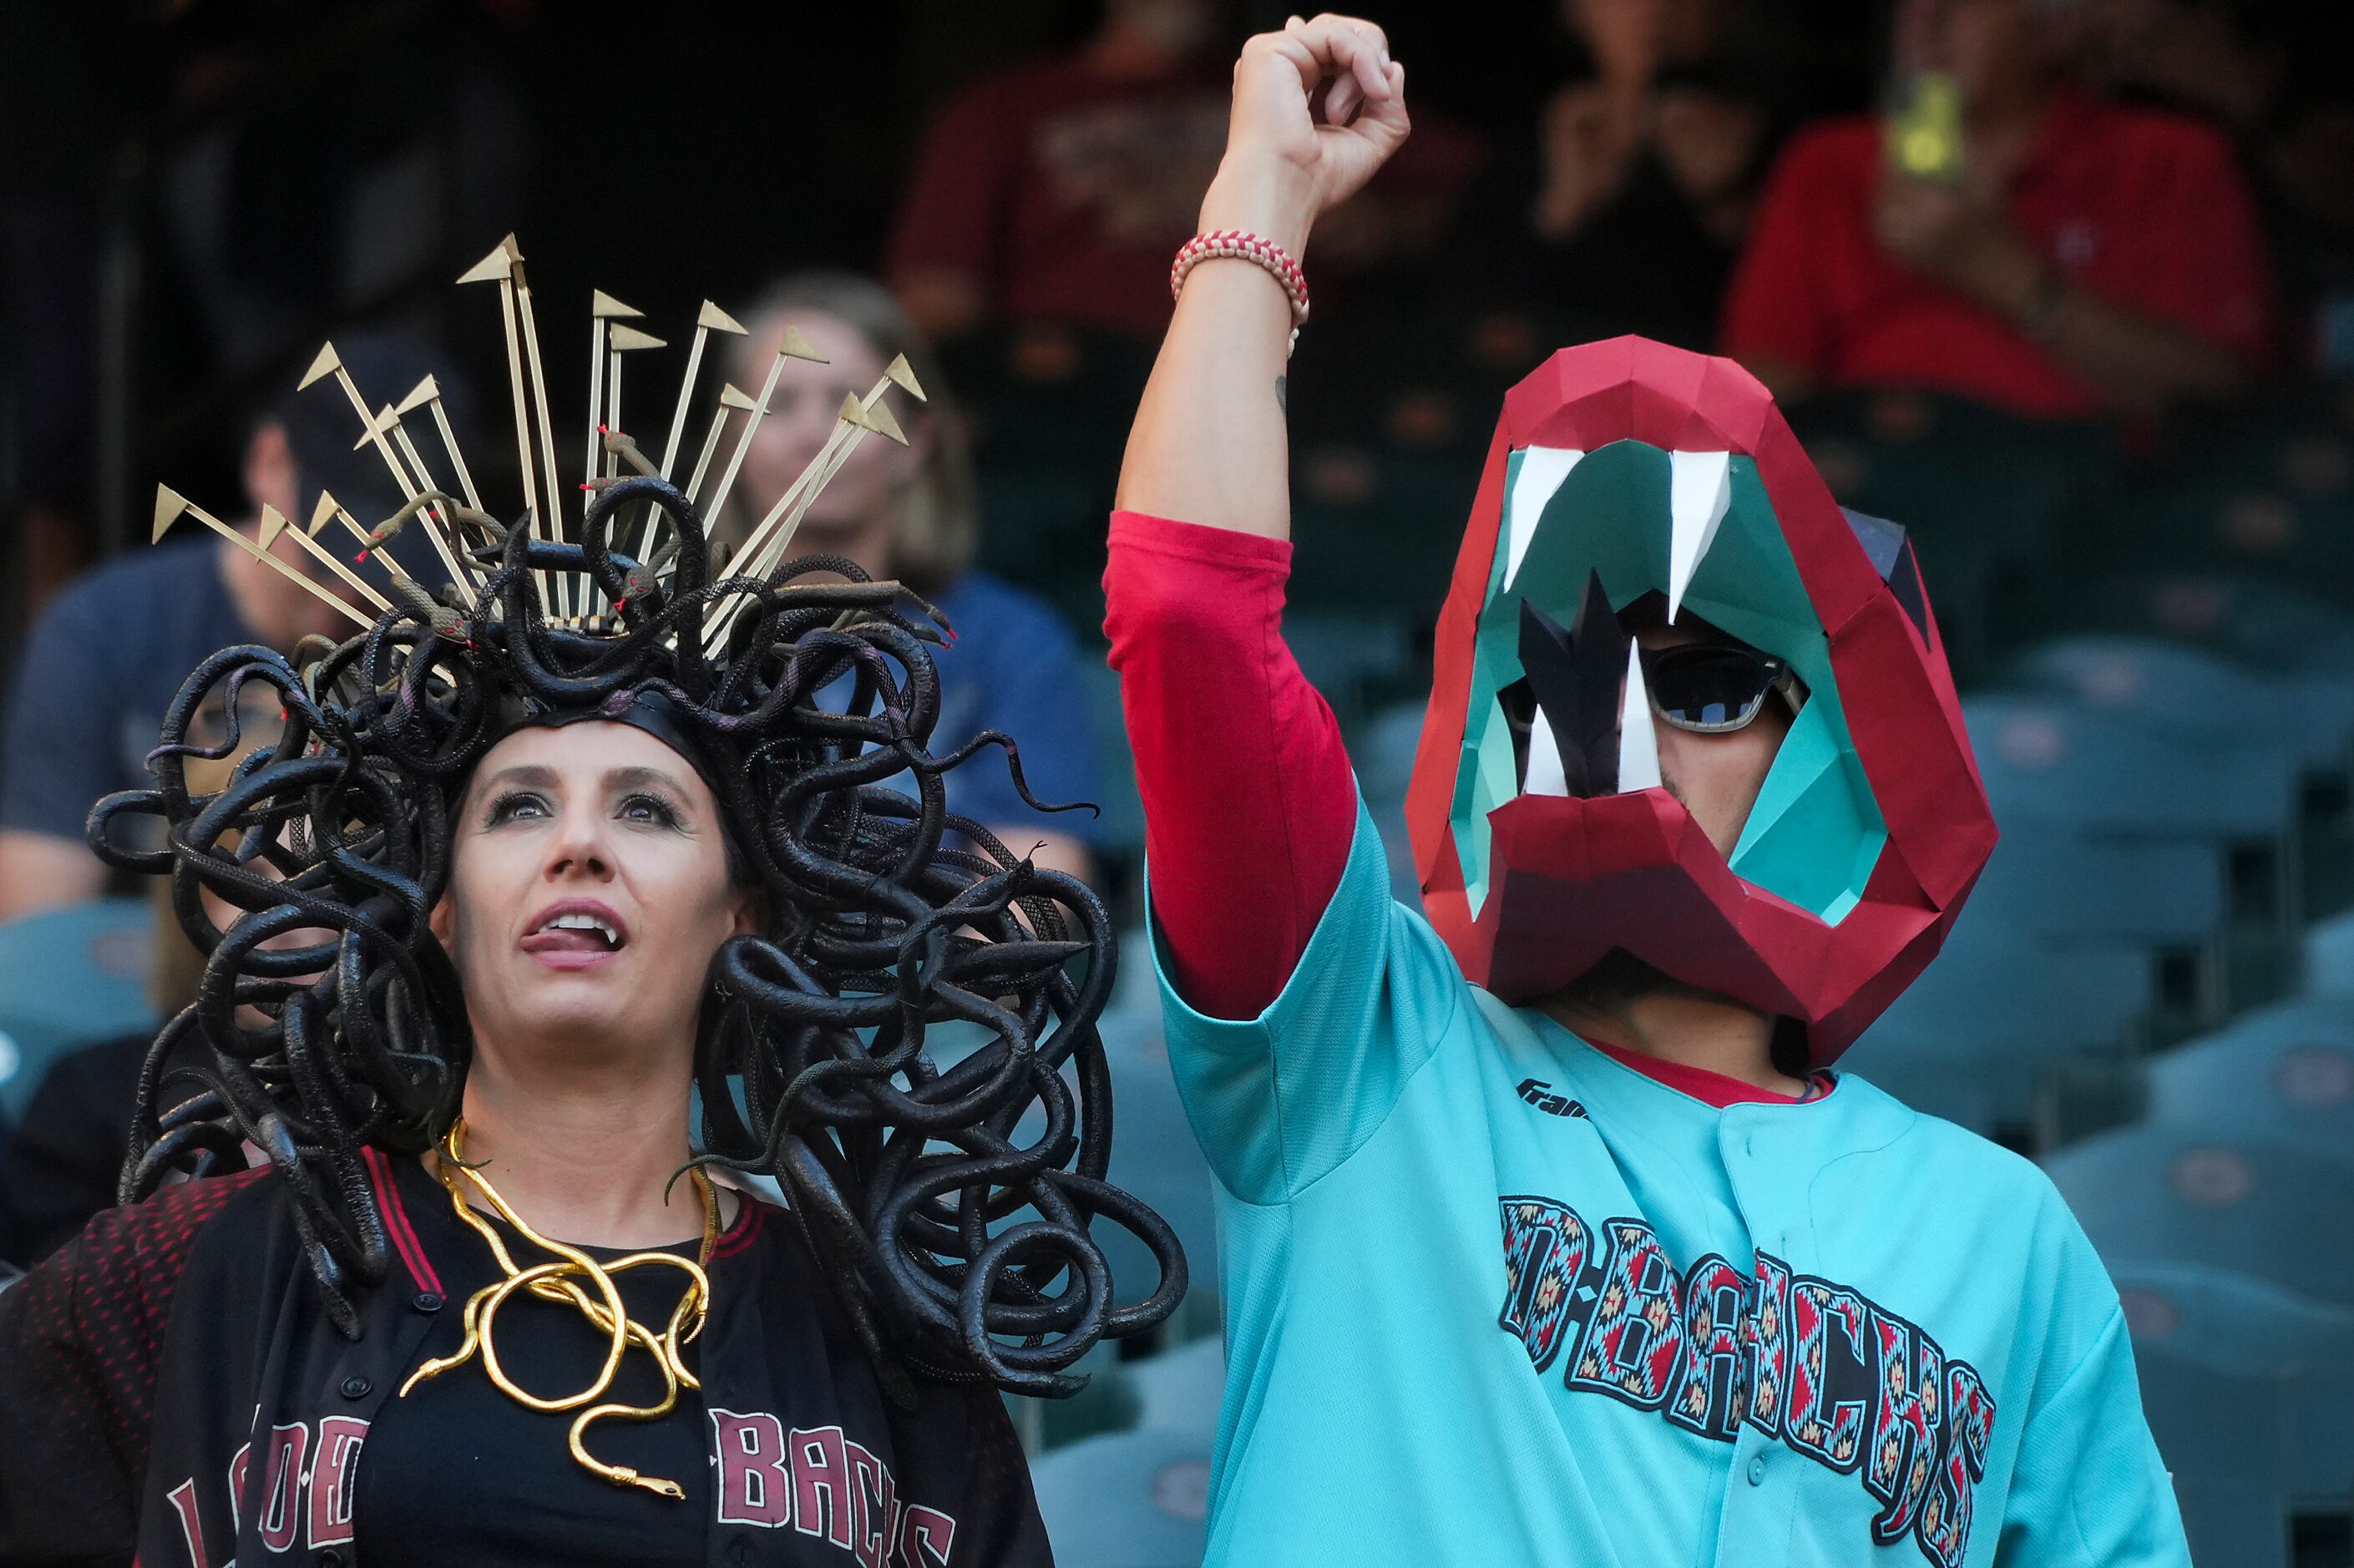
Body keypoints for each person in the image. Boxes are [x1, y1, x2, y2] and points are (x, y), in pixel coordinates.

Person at [1104, 14, 2188, 1563]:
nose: (1607, 715)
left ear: (1855, 766)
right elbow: (1188, 616)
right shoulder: (1362, 1046)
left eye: (1701, 685)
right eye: (1563, 670)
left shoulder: (2000, 1234)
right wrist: (1265, 196)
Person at [0, 277, 1182, 1565]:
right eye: (516, 807)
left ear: (747, 913)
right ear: (439, 909)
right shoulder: (203, 1268)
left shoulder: (883, 1338)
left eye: (647, 810)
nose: (577, 843)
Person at [0, 336, 454, 921]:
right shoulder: (104, 629)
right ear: (267, 462)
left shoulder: (433, 649)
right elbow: (34, 939)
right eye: (329, 547)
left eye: (391, 568)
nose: (348, 590)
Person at [1721, 0, 2272, 421]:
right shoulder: (1830, 162)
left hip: (2100, 514)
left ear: (2051, 30)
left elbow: (2220, 395)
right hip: (1878, 491)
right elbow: (1760, 378)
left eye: (1963, 2)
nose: (1926, 19)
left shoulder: (2169, 160)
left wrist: (2005, 277)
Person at [724, 274, 1101, 883]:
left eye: (851, 403)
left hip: (930, 970)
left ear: (915, 443)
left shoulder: (1011, 639)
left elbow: (1040, 881)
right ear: (733, 440)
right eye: (779, 402)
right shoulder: (680, 634)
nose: (814, 433)